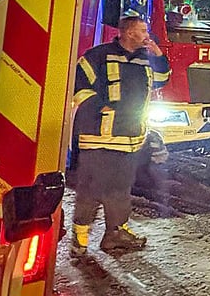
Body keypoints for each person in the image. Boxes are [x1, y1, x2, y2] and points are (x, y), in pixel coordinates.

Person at [69, 16, 171, 256]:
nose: (147, 35)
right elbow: (78, 84)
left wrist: (158, 57)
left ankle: (115, 235)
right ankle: (80, 241)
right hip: (99, 136)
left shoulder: (144, 59)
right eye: (142, 30)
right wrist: (100, 108)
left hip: (129, 138)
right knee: (92, 190)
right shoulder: (98, 56)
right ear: (127, 32)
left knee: (120, 188)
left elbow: (162, 80)